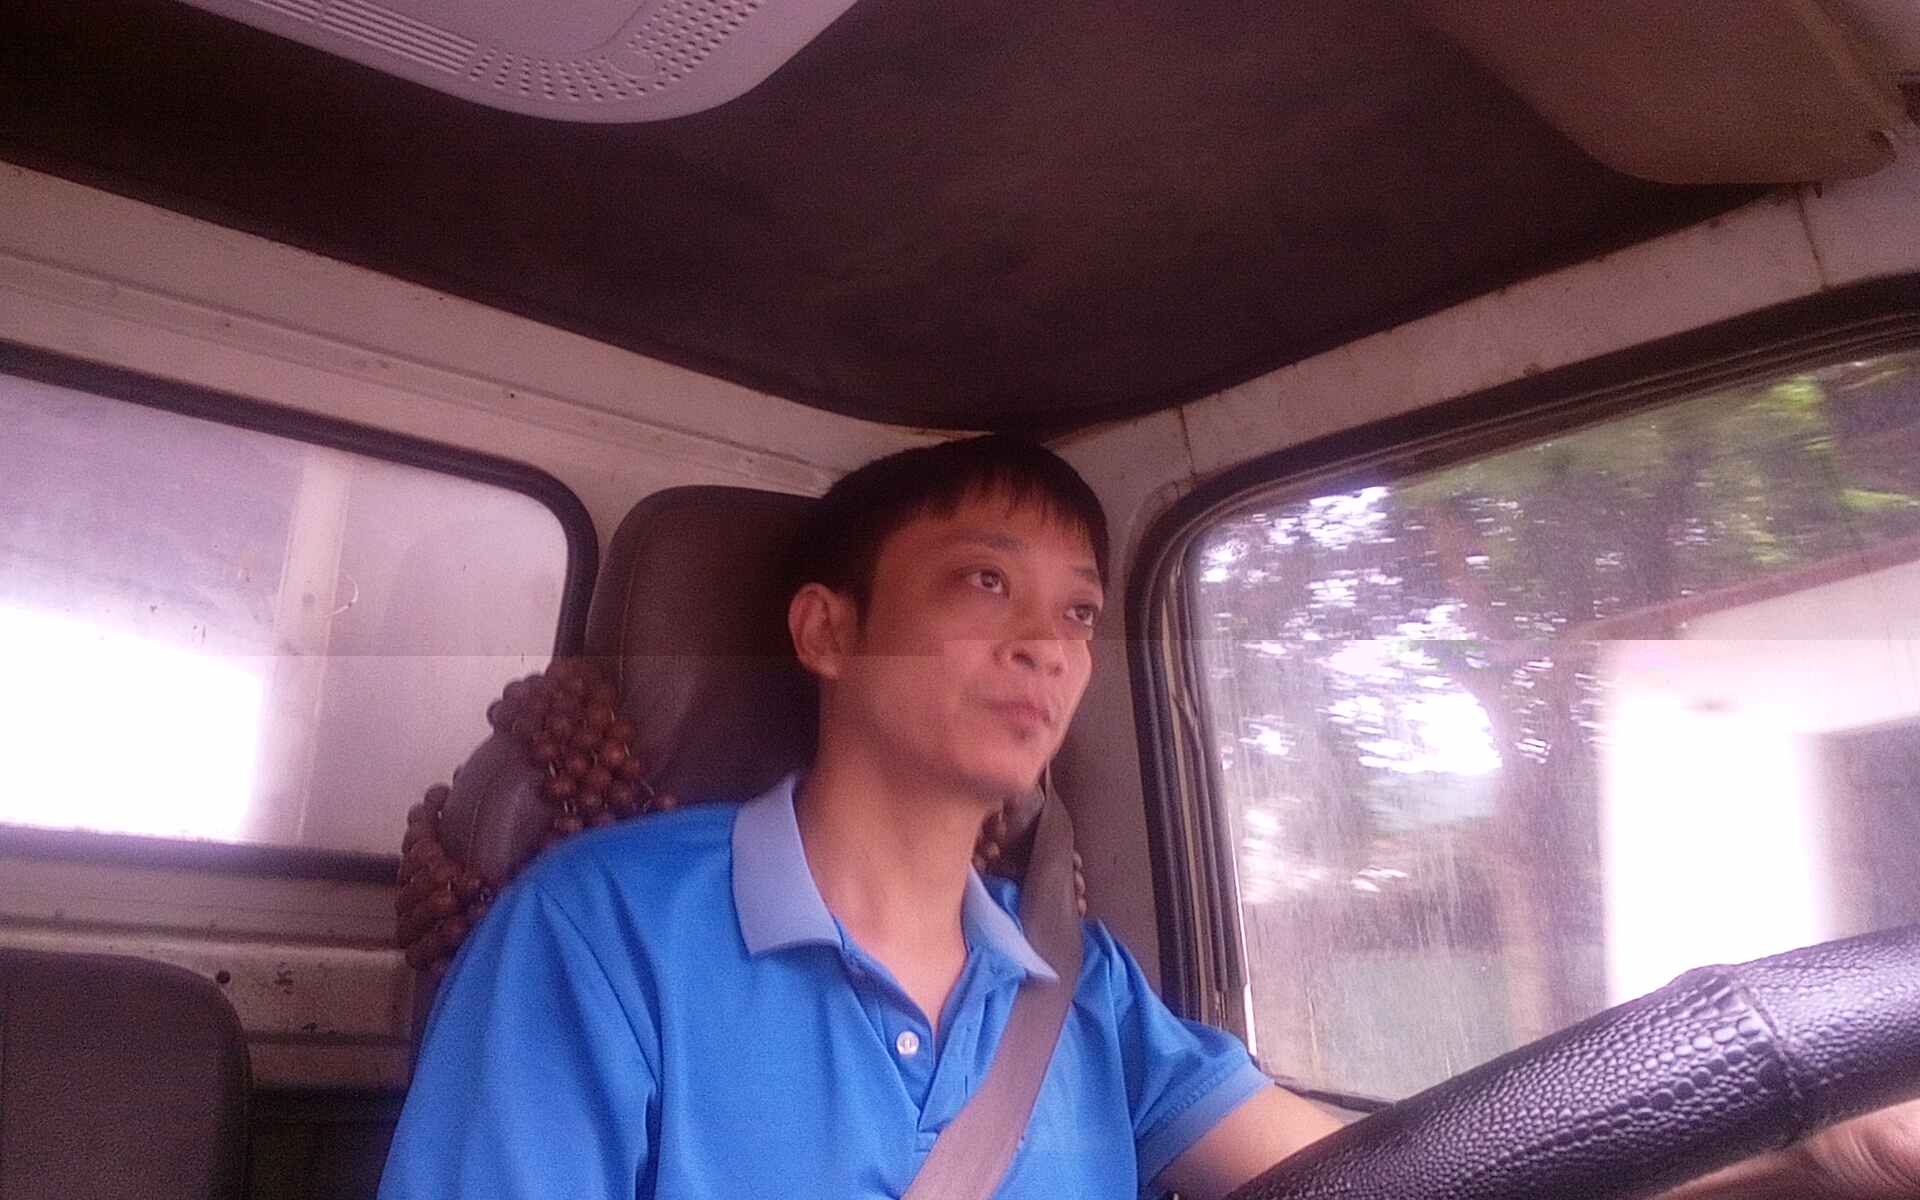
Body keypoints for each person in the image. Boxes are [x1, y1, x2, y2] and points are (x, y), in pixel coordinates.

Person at [380, 435, 1919, 1199]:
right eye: (983, 584)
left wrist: (1793, 1134)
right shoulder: (600, 931)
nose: (1050, 646)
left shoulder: (1080, 985)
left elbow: (1418, 1177)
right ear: (829, 632)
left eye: (1074, 611)